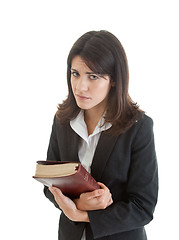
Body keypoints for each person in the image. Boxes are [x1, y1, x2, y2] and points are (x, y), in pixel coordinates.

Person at [43, 30, 158, 240]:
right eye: (75, 73)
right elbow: (50, 183)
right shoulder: (62, 121)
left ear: (114, 80)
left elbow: (143, 206)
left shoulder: (138, 127)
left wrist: (82, 213)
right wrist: (76, 204)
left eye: (93, 76)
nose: (80, 86)